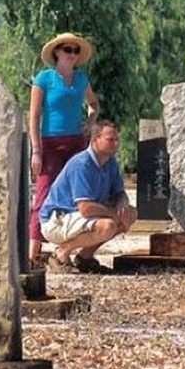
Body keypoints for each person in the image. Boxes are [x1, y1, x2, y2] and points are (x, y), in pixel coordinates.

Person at [28, 32, 100, 269]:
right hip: (49, 143)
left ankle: (66, 252)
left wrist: (91, 122)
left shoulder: (81, 79)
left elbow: (93, 104)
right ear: (57, 52)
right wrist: (36, 150)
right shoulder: (44, 79)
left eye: (75, 51)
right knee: (43, 192)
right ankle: (32, 254)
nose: (72, 54)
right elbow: (34, 115)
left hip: (76, 143)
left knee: (74, 195)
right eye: (68, 50)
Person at [38, 120, 137, 274]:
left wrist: (122, 206)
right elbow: (85, 208)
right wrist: (115, 213)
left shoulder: (110, 163)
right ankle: (61, 254)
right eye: (110, 140)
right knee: (108, 225)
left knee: (130, 214)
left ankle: (84, 258)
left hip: (76, 216)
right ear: (95, 139)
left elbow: (120, 193)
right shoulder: (82, 164)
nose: (116, 144)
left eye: (117, 140)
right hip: (57, 219)